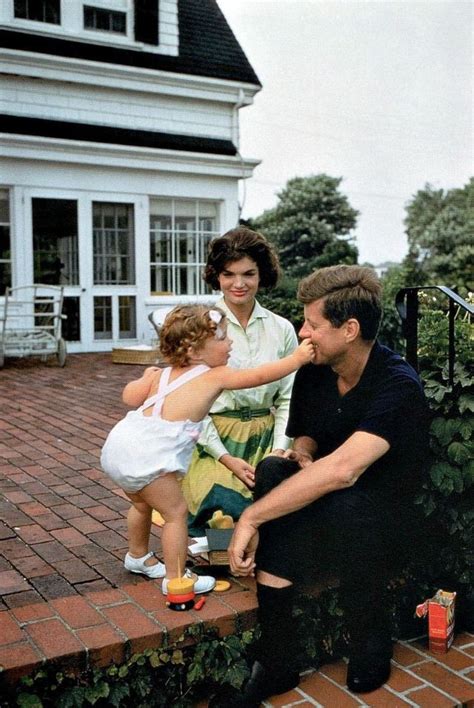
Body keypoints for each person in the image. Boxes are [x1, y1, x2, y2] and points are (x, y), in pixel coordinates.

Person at [211, 265, 430, 706]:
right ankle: (277, 657)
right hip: (330, 503)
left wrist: (251, 518)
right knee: (274, 470)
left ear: (350, 329)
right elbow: (308, 433)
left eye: (312, 323)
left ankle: (369, 636)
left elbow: (344, 471)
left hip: (382, 518)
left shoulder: (397, 384)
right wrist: (303, 452)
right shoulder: (315, 368)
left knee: (348, 503)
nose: (302, 331)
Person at [100, 304, 313, 595]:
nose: (231, 343)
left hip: (120, 448)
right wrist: (297, 359)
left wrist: (144, 377)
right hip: (149, 458)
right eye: (223, 338)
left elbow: (129, 397)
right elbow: (260, 375)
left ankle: (137, 557)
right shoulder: (215, 376)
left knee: (141, 503)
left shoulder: (160, 375)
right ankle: (176, 580)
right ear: (194, 350)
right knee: (175, 514)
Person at [182, 227, 298, 536]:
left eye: (248, 273)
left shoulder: (282, 329)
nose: (238, 284)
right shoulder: (200, 326)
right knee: (221, 516)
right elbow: (190, 403)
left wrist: (278, 451)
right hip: (212, 443)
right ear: (216, 275)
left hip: (267, 441)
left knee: (279, 517)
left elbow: (289, 397)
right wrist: (226, 458)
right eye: (228, 274)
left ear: (262, 275)